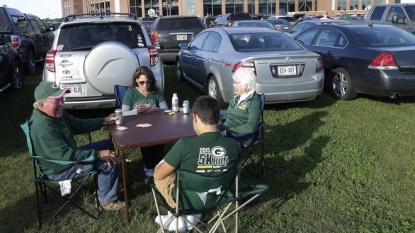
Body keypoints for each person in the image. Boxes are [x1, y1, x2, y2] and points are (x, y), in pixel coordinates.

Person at [29, 82, 124, 210]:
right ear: (41, 104)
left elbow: (78, 125)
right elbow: (66, 155)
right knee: (107, 161)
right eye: (56, 100)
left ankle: (106, 186)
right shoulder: (44, 128)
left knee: (106, 144)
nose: (62, 103)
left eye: (62, 99)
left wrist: (104, 120)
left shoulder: (55, 114)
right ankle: (107, 200)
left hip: (66, 157)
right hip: (59, 168)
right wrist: (98, 155)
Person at [153, 96, 241, 231]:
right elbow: (237, 173)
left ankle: (177, 218)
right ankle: (193, 215)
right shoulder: (234, 145)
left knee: (161, 172)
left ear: (194, 117)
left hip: (185, 201)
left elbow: (159, 175)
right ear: (218, 118)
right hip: (218, 197)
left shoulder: (184, 145)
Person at [121, 66, 168, 177]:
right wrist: (136, 111)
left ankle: (157, 163)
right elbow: (123, 113)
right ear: (136, 80)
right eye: (142, 82)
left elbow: (166, 109)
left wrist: (158, 109)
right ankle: (148, 166)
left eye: (148, 82)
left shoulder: (156, 92)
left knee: (161, 137)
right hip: (136, 125)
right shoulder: (130, 94)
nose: (145, 85)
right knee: (146, 138)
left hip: (156, 124)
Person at [217, 67, 262, 147]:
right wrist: (216, 123)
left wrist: (227, 132)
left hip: (240, 136)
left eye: (236, 82)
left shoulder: (254, 102)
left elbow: (251, 126)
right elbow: (226, 117)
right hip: (225, 131)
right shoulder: (236, 98)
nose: (234, 85)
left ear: (245, 85)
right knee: (204, 136)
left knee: (211, 145)